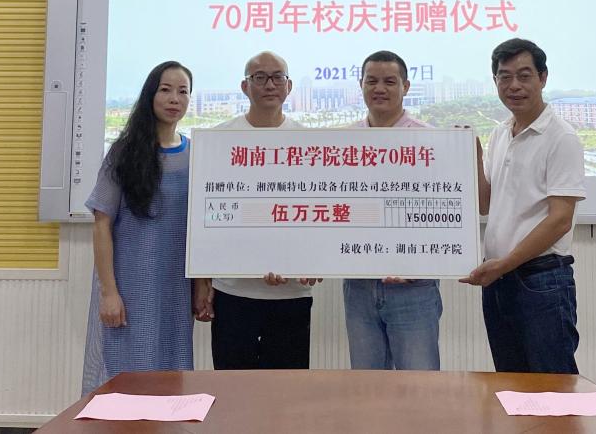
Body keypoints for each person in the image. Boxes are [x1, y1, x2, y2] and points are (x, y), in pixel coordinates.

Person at [460, 39, 586, 374]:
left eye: (524, 75)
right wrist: (473, 158)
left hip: (541, 280)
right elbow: (486, 204)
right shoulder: (501, 133)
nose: (514, 85)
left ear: (543, 78)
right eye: (505, 77)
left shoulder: (561, 137)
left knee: (553, 384)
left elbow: (560, 220)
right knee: (511, 381)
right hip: (498, 279)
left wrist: (504, 264)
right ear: (495, 82)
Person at [195, 51, 318, 370]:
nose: (269, 85)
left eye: (277, 77)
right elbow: (205, 216)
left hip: (292, 292)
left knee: (286, 390)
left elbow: (319, 211)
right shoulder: (219, 139)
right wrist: (202, 280)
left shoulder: (311, 143)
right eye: (260, 77)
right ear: (244, 86)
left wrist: (318, 260)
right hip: (233, 291)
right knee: (234, 388)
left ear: (289, 86)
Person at [85, 60, 196, 385]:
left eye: (183, 91)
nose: (174, 98)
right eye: (166, 90)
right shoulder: (124, 153)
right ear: (150, 95)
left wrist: (203, 286)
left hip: (176, 289)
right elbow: (101, 224)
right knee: (128, 377)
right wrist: (109, 292)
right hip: (131, 286)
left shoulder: (195, 153)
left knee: (172, 375)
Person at [342, 50, 443, 370]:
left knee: (419, 387)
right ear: (360, 85)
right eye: (371, 81)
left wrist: (418, 264)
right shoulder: (342, 142)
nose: (379, 88)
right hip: (359, 284)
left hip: (414, 285)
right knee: (368, 389)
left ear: (406, 86)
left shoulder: (431, 141)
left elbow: (445, 214)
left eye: (389, 81)